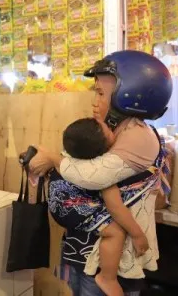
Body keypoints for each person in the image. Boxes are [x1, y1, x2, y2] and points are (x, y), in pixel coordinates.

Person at [29, 50, 172, 296]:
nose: (94, 101)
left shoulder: (137, 135)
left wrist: (52, 158)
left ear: (130, 96)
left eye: (101, 93)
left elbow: (94, 176)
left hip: (108, 263)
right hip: (86, 250)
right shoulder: (112, 130)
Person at [59, 117, 151, 296]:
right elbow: (115, 206)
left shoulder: (69, 161)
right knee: (115, 233)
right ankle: (107, 278)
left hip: (74, 249)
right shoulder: (102, 173)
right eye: (108, 129)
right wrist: (138, 235)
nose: (112, 129)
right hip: (94, 262)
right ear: (104, 146)